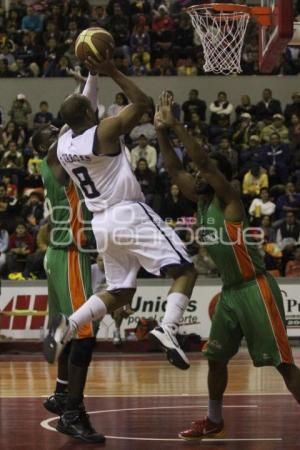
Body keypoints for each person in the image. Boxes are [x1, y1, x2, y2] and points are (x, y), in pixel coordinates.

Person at [154, 91, 300, 440]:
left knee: (283, 364)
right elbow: (175, 168)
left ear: (220, 176)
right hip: (231, 293)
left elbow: (202, 163)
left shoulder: (229, 198)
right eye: (197, 175)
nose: (196, 176)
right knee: (216, 357)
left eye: (203, 173)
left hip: (255, 287)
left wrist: (178, 126)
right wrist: (160, 129)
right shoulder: (202, 200)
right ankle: (214, 418)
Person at [42, 54, 197, 373]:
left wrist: (91, 77)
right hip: (128, 213)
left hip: (100, 224)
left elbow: (83, 112)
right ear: (90, 112)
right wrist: (111, 69)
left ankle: (68, 325)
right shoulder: (105, 132)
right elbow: (144, 103)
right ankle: (168, 328)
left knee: (120, 291)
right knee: (185, 270)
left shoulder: (62, 146)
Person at [32, 73, 105, 443]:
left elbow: (76, 118)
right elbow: (71, 120)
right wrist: (87, 84)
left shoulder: (61, 159)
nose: (55, 133)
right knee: (84, 336)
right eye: (48, 134)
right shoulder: (52, 160)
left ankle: (62, 393)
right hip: (70, 255)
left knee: (67, 328)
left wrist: (87, 86)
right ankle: (73, 412)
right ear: (43, 148)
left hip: (62, 255)